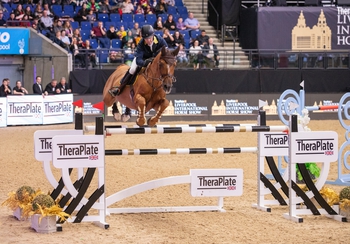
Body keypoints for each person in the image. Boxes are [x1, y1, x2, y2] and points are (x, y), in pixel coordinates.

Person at [110, 24, 168, 96]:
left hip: (155, 60)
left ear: (153, 35)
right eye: (146, 39)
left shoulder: (160, 40)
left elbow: (166, 49)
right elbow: (138, 60)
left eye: (150, 38)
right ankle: (119, 88)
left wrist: (156, 55)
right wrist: (145, 63)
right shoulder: (141, 44)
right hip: (143, 60)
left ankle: (166, 86)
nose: (148, 40)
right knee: (132, 69)